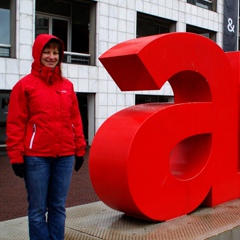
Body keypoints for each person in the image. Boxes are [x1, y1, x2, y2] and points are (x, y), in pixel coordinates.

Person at [6, 34, 86, 240]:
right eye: (47, 52)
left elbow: (75, 120)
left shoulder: (67, 86)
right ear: (37, 54)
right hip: (36, 157)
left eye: (56, 52)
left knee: (58, 207)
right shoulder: (24, 86)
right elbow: (15, 124)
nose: (52, 56)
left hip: (65, 156)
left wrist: (79, 149)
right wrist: (16, 157)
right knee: (37, 210)